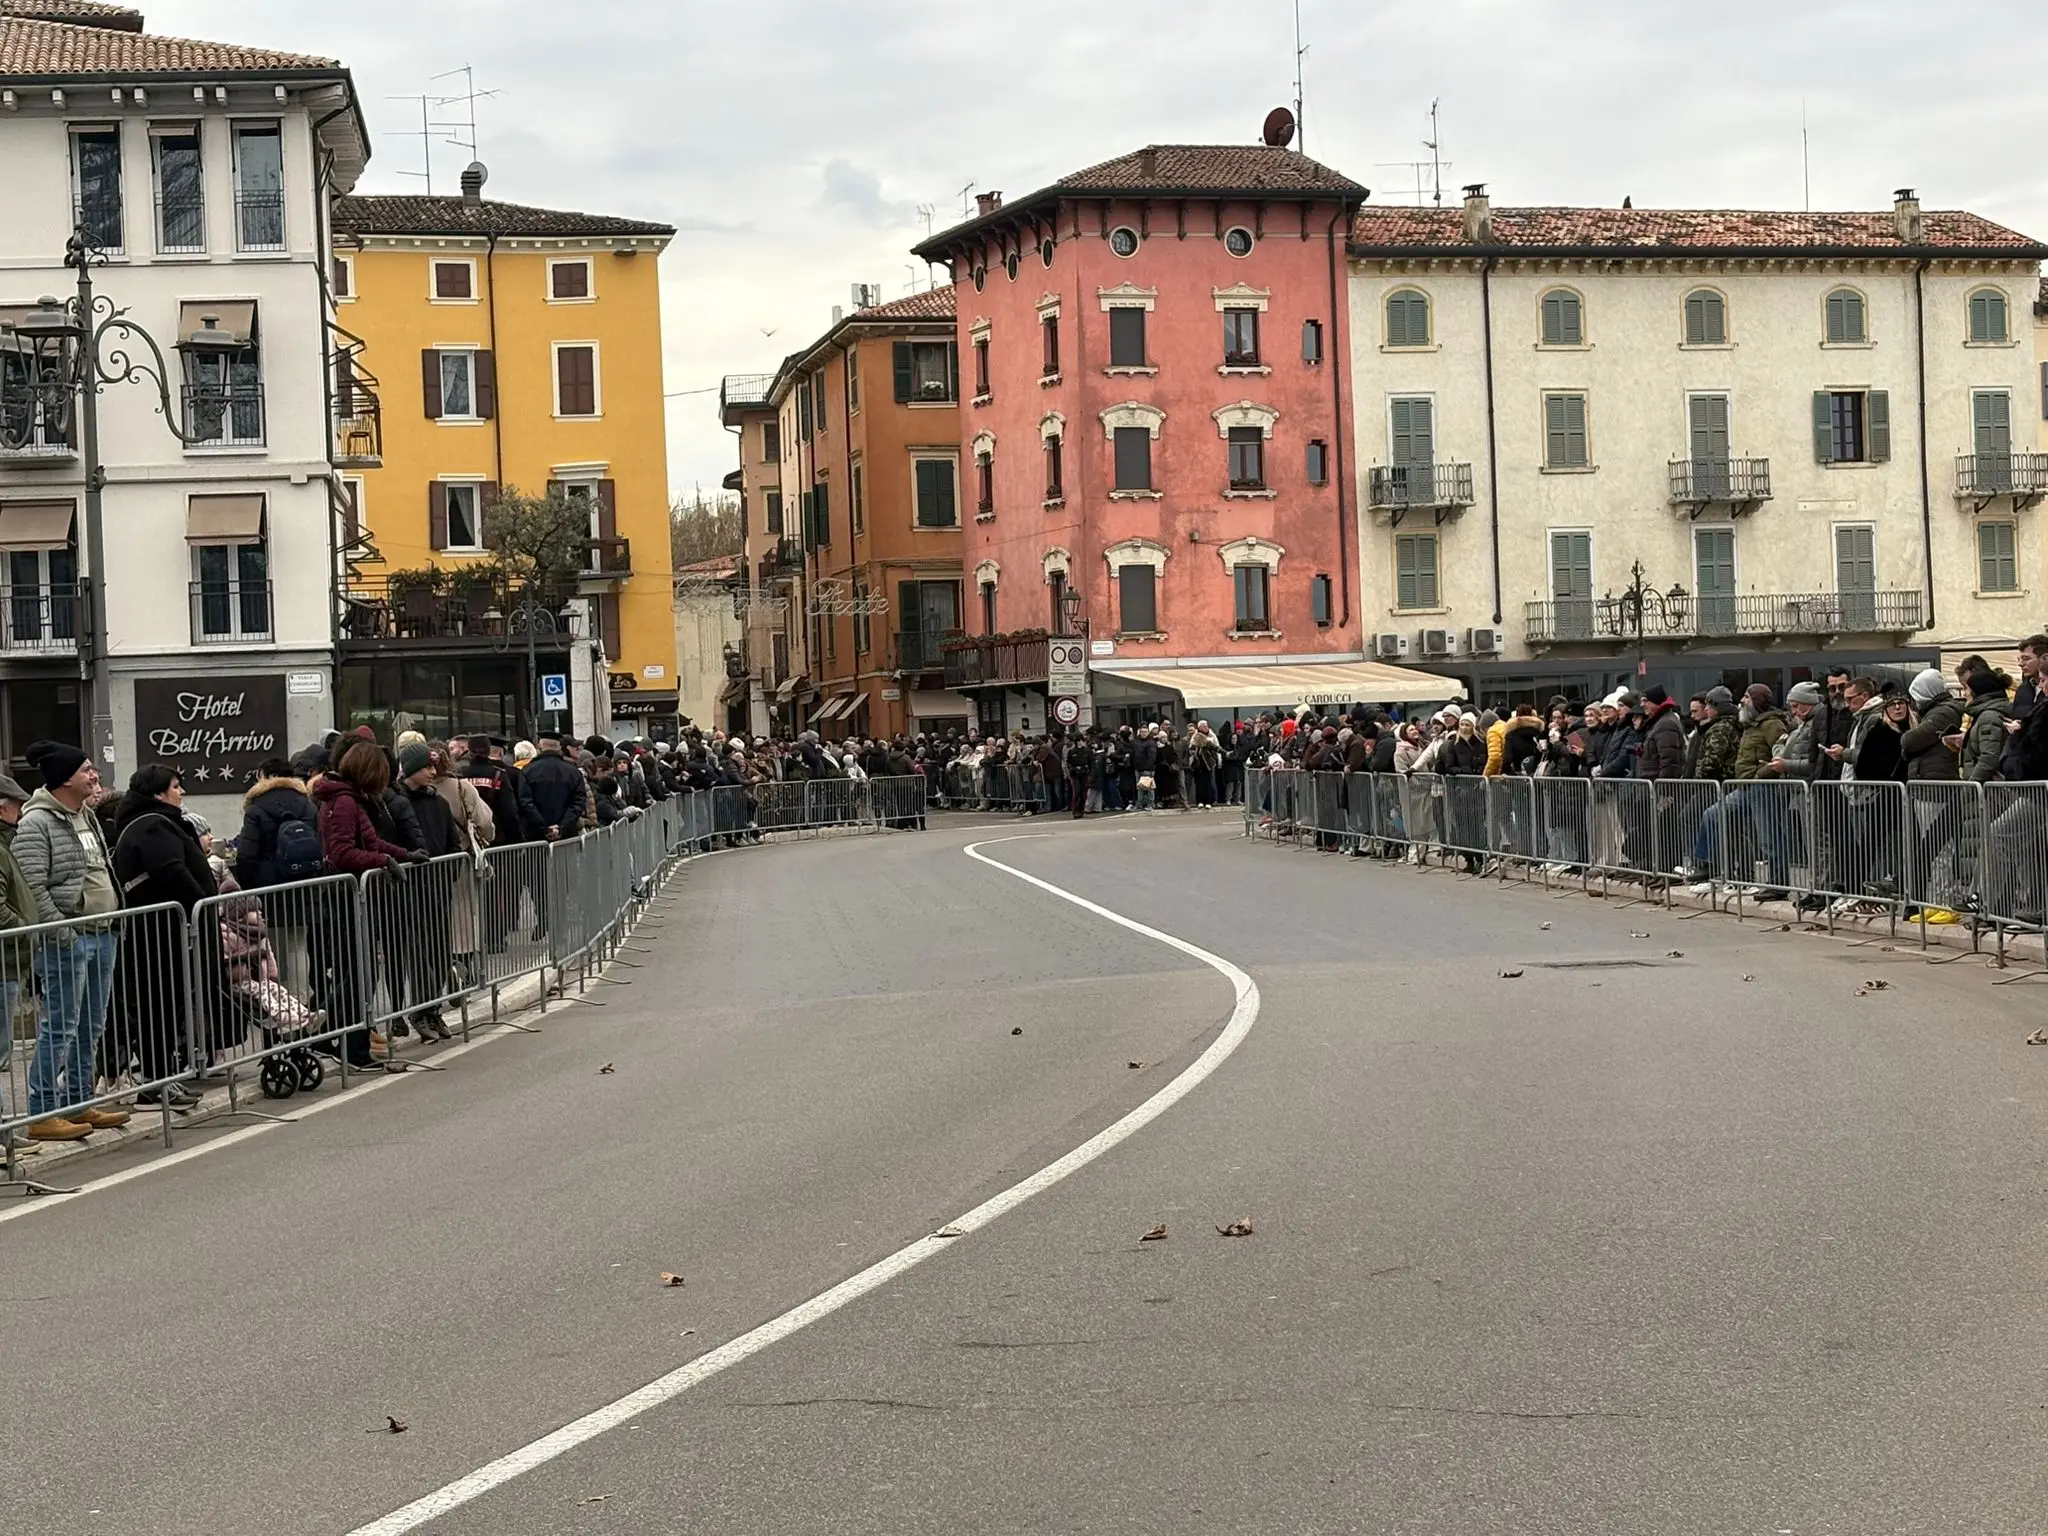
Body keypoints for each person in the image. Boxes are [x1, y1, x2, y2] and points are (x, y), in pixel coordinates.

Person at [14, 740, 128, 1140]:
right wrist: (64, 933)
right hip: (69, 939)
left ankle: (79, 1101)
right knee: (59, 1027)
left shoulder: (87, 816)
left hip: (103, 933)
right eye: (86, 770)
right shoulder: (37, 823)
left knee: (91, 1024)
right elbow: (32, 886)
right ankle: (42, 1112)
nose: (94, 776)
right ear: (64, 779)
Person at [106, 765, 213, 1107]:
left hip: (164, 929)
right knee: (159, 1008)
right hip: (159, 932)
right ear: (158, 794)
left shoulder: (155, 821)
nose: (182, 793)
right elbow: (172, 873)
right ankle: (157, 1082)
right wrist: (203, 905)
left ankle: (164, 1078)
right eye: (176, 786)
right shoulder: (151, 825)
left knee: (166, 1006)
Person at [313, 739, 423, 1067]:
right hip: (345, 896)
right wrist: (384, 860)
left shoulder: (349, 799)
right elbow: (343, 852)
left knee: (359, 971)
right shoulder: (344, 802)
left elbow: (371, 840)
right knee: (356, 973)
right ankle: (330, 1032)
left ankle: (340, 1037)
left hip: (350, 896)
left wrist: (403, 855)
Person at [0, 774, 39, 1124]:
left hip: (10, 962)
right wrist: (25, 929)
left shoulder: (5, 846)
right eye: (16, 806)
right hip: (3, 963)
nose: (21, 812)